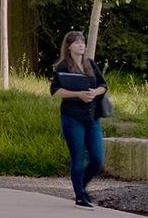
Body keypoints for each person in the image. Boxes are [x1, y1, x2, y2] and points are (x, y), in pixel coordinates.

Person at [49, 31, 109, 211]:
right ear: (68, 46)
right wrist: (78, 95)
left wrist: (94, 92)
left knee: (97, 159)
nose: (81, 45)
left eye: (82, 42)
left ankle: (81, 187)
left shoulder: (90, 63)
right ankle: (80, 197)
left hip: (92, 118)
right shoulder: (62, 66)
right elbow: (55, 91)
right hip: (72, 117)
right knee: (78, 157)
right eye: (76, 42)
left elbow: (103, 85)